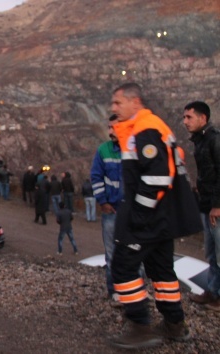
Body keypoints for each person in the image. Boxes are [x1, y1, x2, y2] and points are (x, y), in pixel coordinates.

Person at [109, 83, 202, 348]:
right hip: (162, 218)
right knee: (161, 271)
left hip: (148, 219)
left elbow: (156, 178)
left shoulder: (145, 129)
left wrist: (138, 216)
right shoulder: (147, 127)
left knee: (123, 267)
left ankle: (140, 327)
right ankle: (175, 324)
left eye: (118, 103)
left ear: (134, 102)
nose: (114, 108)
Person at [183, 100, 220, 311]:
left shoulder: (214, 140)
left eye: (189, 117)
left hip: (215, 207)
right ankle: (212, 291)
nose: (185, 121)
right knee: (212, 253)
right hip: (207, 205)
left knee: (219, 252)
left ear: (202, 118)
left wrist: (217, 205)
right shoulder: (201, 141)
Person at [91, 114, 123, 306]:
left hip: (131, 212)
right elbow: (96, 177)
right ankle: (115, 291)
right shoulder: (103, 150)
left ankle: (136, 291)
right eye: (109, 127)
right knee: (112, 253)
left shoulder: (133, 150)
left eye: (114, 127)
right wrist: (103, 201)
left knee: (134, 252)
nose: (111, 131)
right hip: (111, 211)